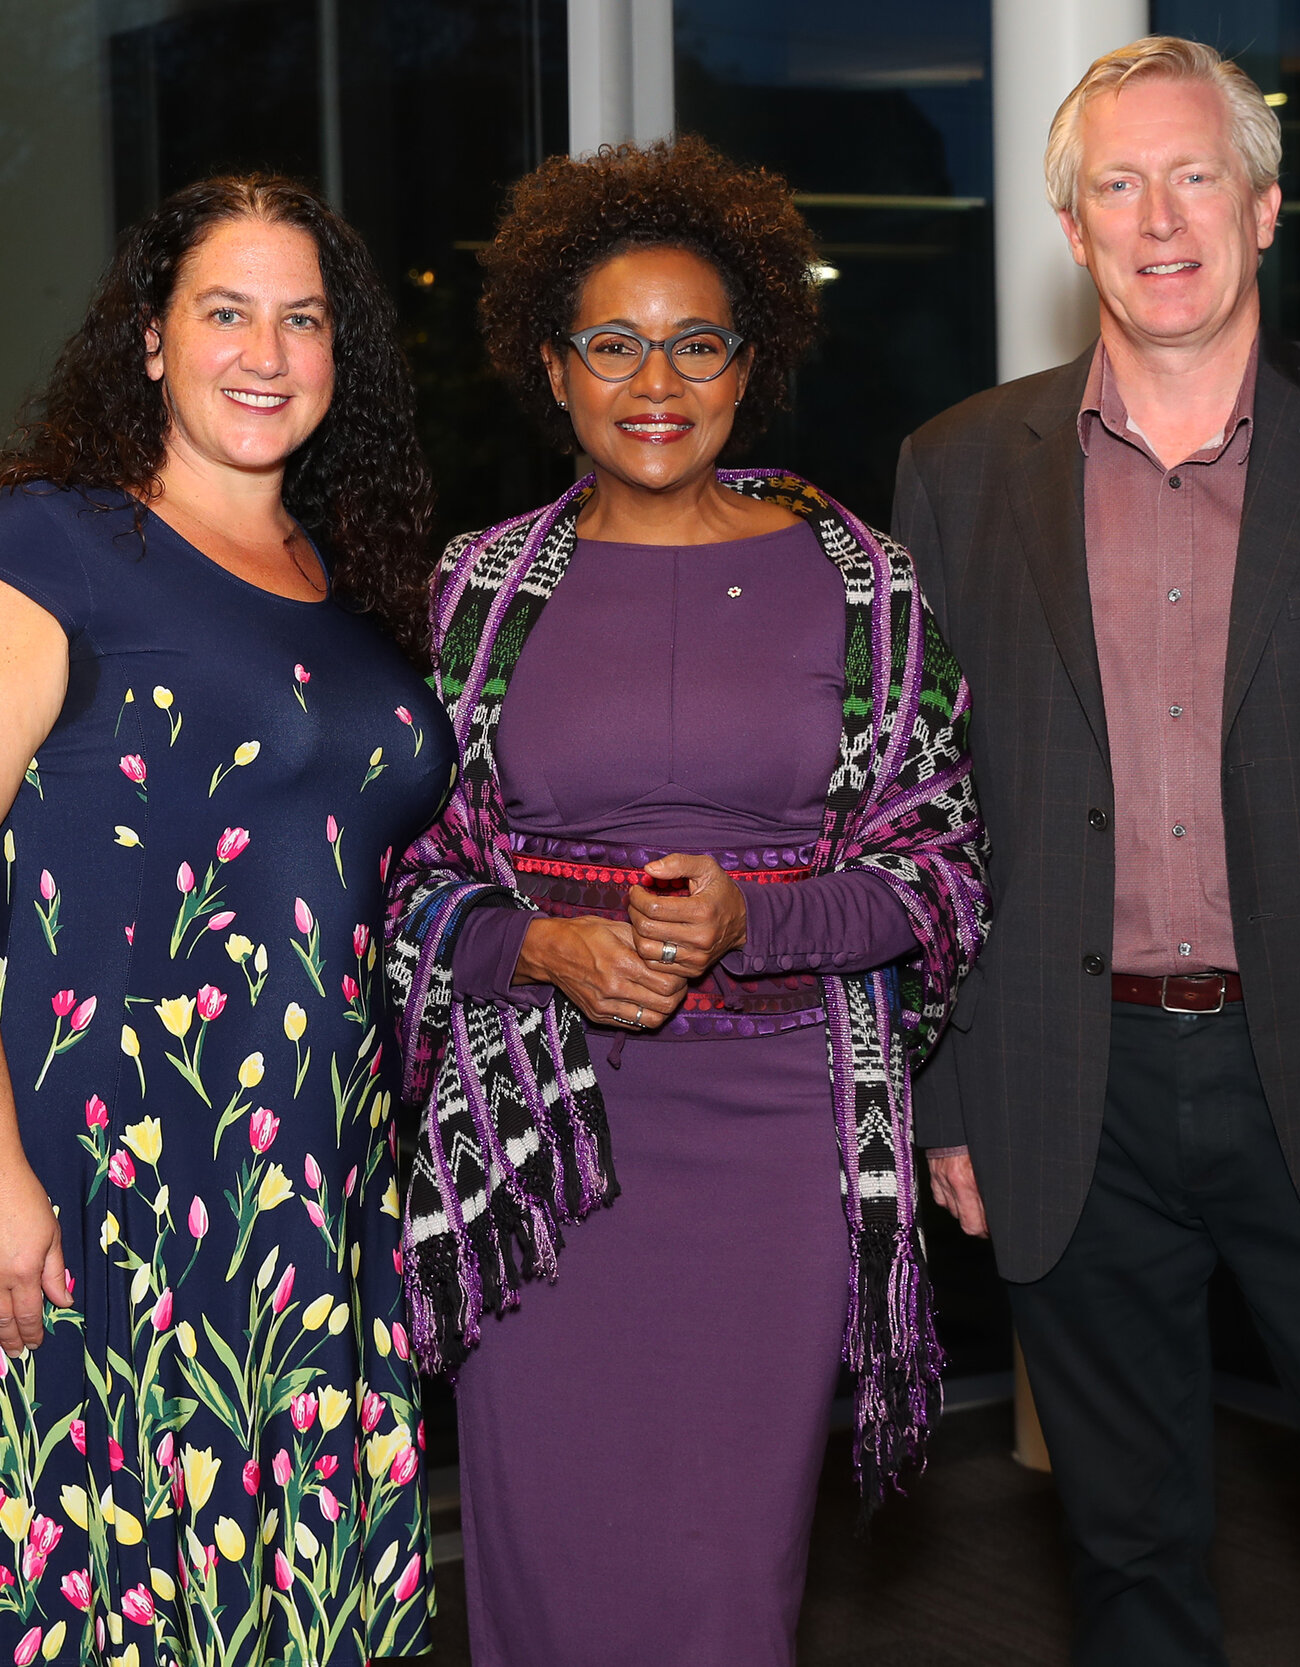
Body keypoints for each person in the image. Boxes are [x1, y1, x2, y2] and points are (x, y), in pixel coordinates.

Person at [896, 38, 1300, 1667]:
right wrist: (952, 1094)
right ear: (1073, 228)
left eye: (1195, 176)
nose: (1159, 217)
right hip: (1070, 1090)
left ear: (1263, 209)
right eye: (1118, 183)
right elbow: (928, 804)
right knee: (1128, 1567)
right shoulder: (958, 468)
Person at [382, 137, 986, 1667]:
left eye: (698, 341)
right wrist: (545, 947)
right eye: (614, 342)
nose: (657, 377)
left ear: (751, 360)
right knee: (542, 1562)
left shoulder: (864, 584)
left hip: (779, 1140)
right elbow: (404, 878)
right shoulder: (477, 588)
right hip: (540, 1143)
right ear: (553, 366)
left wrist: (751, 925)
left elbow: (939, 870)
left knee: (724, 1581)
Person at [0, 174, 447, 1665]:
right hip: (98, 1178)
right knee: (102, 1604)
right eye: (226, 311)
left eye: (302, 319)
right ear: (148, 338)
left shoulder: (350, 580)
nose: (266, 352)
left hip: (314, 1188)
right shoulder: (42, 547)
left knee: (291, 1604)